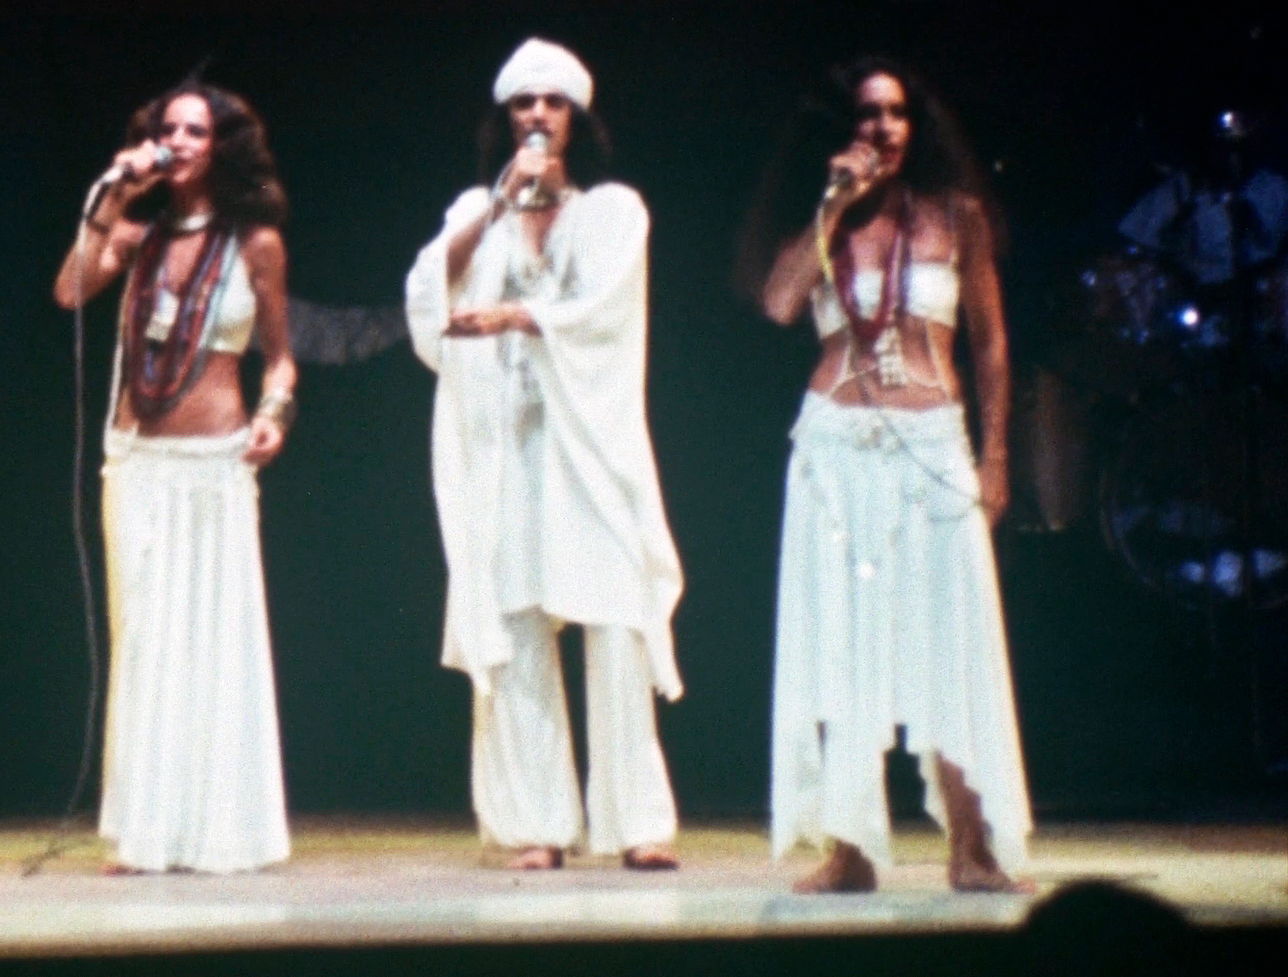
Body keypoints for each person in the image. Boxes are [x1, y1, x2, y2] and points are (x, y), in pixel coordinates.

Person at [745, 55, 1030, 892]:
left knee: (952, 642)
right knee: (843, 644)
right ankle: (852, 848)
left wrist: (996, 451)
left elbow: (989, 343)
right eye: (867, 116)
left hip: (934, 447)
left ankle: (970, 844)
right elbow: (776, 303)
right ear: (838, 134)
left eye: (897, 113)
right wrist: (831, 205)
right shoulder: (822, 221)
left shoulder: (957, 216)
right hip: (834, 452)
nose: (884, 129)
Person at [405, 38, 686, 872]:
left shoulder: (613, 210)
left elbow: (604, 310)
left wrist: (518, 319)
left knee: (614, 622)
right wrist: (494, 212)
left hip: (587, 446)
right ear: (504, 119)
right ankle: (535, 821)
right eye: (522, 103)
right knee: (519, 624)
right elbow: (428, 294)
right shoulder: (475, 208)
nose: (535, 115)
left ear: (575, 118)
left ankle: (636, 821)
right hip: (508, 448)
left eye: (551, 103)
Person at [51, 80, 295, 873]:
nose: (181, 141)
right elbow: (68, 290)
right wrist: (116, 192)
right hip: (135, 461)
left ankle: (218, 829)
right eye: (169, 130)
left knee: (212, 644)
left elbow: (280, 356)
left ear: (223, 145)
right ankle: (144, 830)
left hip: (212, 463)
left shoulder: (255, 241)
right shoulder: (133, 232)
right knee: (145, 638)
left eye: (196, 131)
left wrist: (275, 411)